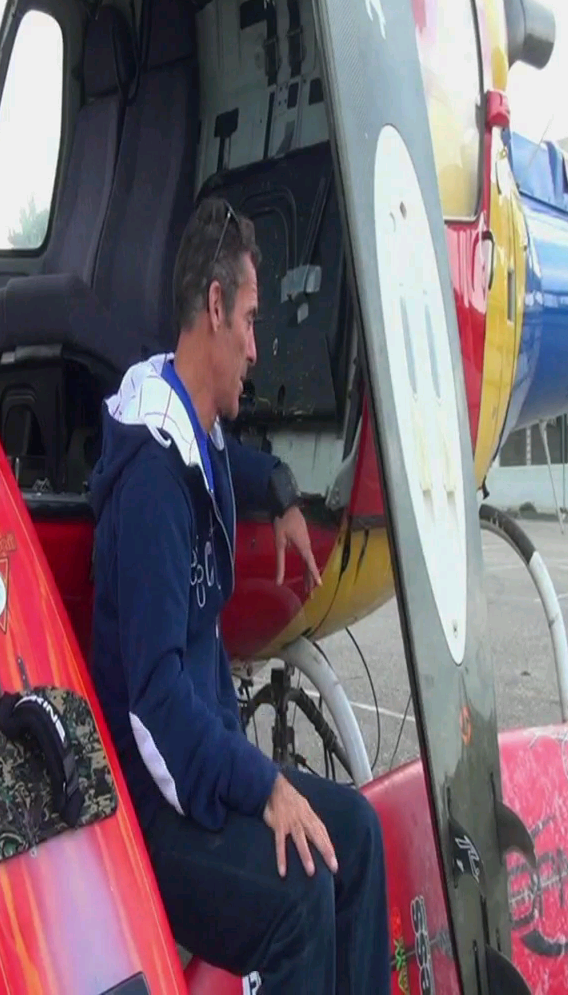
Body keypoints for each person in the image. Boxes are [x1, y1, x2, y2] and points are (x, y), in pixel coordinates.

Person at [86, 197, 389, 992]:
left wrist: (279, 489)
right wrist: (265, 786)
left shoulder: (196, 430)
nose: (257, 348)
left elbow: (227, 460)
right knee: (301, 896)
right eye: (251, 321)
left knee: (355, 834)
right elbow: (156, 706)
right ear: (215, 307)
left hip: (199, 774)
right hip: (155, 810)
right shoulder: (150, 487)